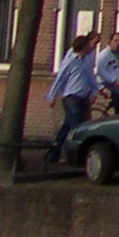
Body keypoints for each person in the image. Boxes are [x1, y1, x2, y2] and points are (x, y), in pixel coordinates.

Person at [44, 33, 98, 165]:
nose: (92, 48)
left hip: (83, 98)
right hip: (71, 98)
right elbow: (60, 79)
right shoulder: (70, 61)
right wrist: (52, 95)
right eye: (89, 45)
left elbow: (90, 78)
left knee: (66, 128)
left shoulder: (86, 62)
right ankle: (75, 158)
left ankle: (53, 154)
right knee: (78, 128)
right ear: (84, 47)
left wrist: (94, 92)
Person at [92, 30, 119, 115]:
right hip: (105, 83)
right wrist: (114, 81)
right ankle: (118, 115)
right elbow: (101, 72)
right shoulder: (104, 55)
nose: (118, 43)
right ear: (110, 42)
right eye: (115, 41)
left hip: (117, 83)